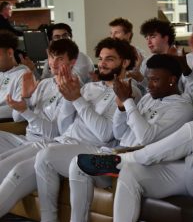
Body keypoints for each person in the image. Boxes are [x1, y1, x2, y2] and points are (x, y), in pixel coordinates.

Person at [76, 57, 193, 222]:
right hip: (188, 169)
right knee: (131, 172)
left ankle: (122, 160)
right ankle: (125, 163)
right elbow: (185, 144)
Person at [67, 54, 193, 222]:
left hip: (142, 163)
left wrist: (128, 101)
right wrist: (121, 108)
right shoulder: (149, 98)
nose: (149, 85)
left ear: (172, 80)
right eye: (148, 79)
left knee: (123, 169)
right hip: (117, 154)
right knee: (77, 164)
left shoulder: (182, 108)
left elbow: (145, 138)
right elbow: (120, 134)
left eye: (155, 80)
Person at [34, 38, 142, 222]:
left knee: (45, 156)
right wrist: (68, 98)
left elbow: (106, 135)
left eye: (110, 59)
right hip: (67, 143)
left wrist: (77, 99)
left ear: (125, 62)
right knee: (36, 154)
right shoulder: (90, 87)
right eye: (100, 59)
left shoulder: (130, 90)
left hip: (97, 150)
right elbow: (64, 128)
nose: (102, 64)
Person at [0, 39, 78, 153]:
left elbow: (54, 134)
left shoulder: (73, 91)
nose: (53, 63)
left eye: (60, 59)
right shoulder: (44, 83)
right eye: (51, 57)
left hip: (45, 145)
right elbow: (17, 118)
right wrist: (25, 97)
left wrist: (25, 111)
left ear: (72, 62)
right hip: (26, 140)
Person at [126, 18, 176, 87]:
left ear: (166, 38)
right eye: (146, 38)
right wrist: (136, 71)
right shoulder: (147, 61)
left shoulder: (181, 60)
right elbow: (142, 91)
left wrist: (141, 79)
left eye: (153, 37)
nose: (148, 42)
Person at [0, 30, 29, 120]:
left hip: (7, 123)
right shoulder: (2, 72)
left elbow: (17, 108)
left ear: (9, 53)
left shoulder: (24, 75)